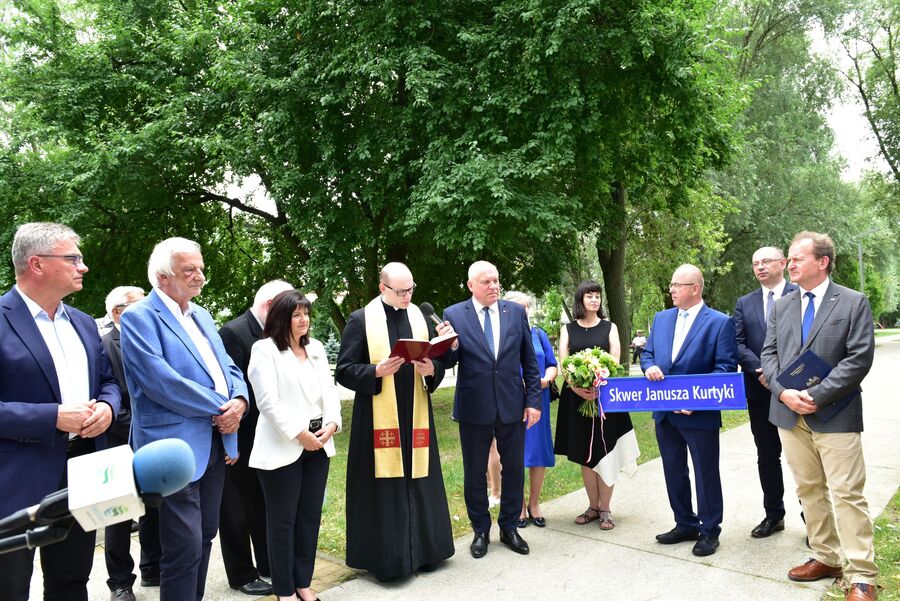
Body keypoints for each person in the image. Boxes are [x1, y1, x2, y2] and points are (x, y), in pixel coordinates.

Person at [120, 237, 249, 601]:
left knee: (205, 534)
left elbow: (228, 367)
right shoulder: (139, 317)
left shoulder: (201, 314)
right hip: (171, 450)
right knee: (184, 545)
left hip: (214, 443)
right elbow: (161, 382)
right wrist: (222, 408)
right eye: (189, 270)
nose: (200, 276)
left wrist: (239, 401)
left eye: (201, 269)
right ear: (163, 276)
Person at [0, 222, 121, 601]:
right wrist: (52, 417)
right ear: (36, 264)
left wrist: (107, 407)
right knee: (8, 585)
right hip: (14, 477)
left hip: (83, 469)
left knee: (72, 581)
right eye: (72, 258)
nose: (83, 266)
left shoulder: (83, 322)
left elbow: (109, 381)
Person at [761, 232, 877, 601]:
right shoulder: (782, 306)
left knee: (847, 494)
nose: (789, 265)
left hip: (836, 413)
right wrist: (783, 392)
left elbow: (858, 359)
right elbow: (769, 355)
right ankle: (826, 557)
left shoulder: (853, 302)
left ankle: (862, 575)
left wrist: (817, 395)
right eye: (789, 259)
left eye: (797, 258)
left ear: (822, 262)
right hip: (788, 414)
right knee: (808, 489)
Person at [336, 262, 454, 580]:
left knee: (420, 479)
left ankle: (426, 553)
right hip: (377, 419)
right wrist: (375, 371)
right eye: (400, 291)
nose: (407, 296)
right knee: (385, 489)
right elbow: (344, 370)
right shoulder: (361, 320)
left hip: (416, 416)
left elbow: (437, 361)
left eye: (410, 289)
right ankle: (388, 560)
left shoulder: (419, 316)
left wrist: (433, 370)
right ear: (382, 288)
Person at [442, 261, 541, 558]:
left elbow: (529, 361)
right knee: (475, 472)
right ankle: (481, 530)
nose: (494, 286)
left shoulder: (515, 313)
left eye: (496, 280)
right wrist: (450, 346)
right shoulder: (454, 314)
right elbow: (448, 361)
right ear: (471, 285)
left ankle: (509, 527)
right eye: (486, 282)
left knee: (514, 470)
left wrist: (533, 402)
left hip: (512, 405)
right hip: (474, 407)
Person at [247, 290, 341, 601]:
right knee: (283, 522)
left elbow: (329, 390)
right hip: (282, 446)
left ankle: (303, 582)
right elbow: (267, 402)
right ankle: (285, 590)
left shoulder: (315, 348)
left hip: (319, 443)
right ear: (281, 317)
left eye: (306, 314)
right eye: (296, 314)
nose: (304, 320)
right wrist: (300, 434)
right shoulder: (265, 350)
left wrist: (332, 423)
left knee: (309, 518)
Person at [641, 264, 737, 557]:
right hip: (664, 412)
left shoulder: (720, 322)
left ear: (695, 288)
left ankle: (709, 531)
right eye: (671, 285)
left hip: (700, 414)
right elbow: (648, 353)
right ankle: (684, 523)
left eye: (677, 285)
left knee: (705, 473)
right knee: (674, 470)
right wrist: (650, 366)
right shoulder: (661, 319)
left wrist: (696, 400)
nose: (671, 290)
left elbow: (725, 368)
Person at [217, 280, 294, 596]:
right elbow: (228, 389)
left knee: (263, 504)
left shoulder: (275, 332)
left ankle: (267, 564)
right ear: (270, 305)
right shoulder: (233, 333)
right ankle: (241, 574)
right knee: (236, 510)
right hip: (241, 437)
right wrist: (230, 441)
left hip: (270, 437)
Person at [554, 281, 639, 531]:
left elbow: (614, 359)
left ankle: (606, 509)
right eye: (589, 296)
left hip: (606, 399)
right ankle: (592, 506)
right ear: (580, 300)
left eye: (597, 296)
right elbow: (564, 363)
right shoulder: (568, 329)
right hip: (576, 398)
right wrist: (577, 387)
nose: (594, 300)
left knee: (607, 451)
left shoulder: (609, 327)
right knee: (585, 454)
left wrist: (598, 382)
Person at [101, 285, 162, 601]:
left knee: (152, 506)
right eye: (140, 306)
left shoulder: (152, 338)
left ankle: (153, 568)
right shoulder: (103, 345)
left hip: (152, 440)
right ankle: (120, 582)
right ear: (117, 312)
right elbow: (106, 398)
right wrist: (145, 427)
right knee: (119, 515)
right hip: (118, 441)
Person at [733, 247, 796, 539]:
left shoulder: (801, 294)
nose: (760, 267)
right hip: (759, 391)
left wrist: (780, 375)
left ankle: (814, 519)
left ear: (783, 263)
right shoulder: (744, 303)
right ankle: (774, 515)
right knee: (767, 456)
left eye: (766, 261)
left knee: (804, 457)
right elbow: (737, 343)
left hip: (797, 388)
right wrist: (762, 371)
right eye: (755, 263)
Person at [503, 291, 558, 528]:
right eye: (519, 306)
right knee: (514, 453)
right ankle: (519, 506)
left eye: (526, 307)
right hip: (512, 399)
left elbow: (552, 364)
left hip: (538, 399)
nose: (524, 310)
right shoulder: (503, 334)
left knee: (538, 452)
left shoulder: (538, 333)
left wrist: (545, 380)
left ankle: (534, 504)